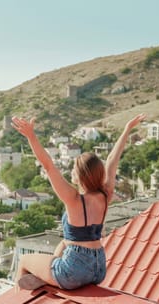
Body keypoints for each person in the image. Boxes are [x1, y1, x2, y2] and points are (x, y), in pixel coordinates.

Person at [12, 113, 146, 290]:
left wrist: (31, 136)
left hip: (74, 271)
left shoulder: (74, 199)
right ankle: (48, 275)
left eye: (74, 169)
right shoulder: (105, 195)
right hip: (98, 268)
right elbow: (113, 161)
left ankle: (19, 299)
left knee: (23, 260)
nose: (71, 172)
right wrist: (127, 129)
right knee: (65, 243)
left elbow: (48, 165)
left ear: (81, 176)